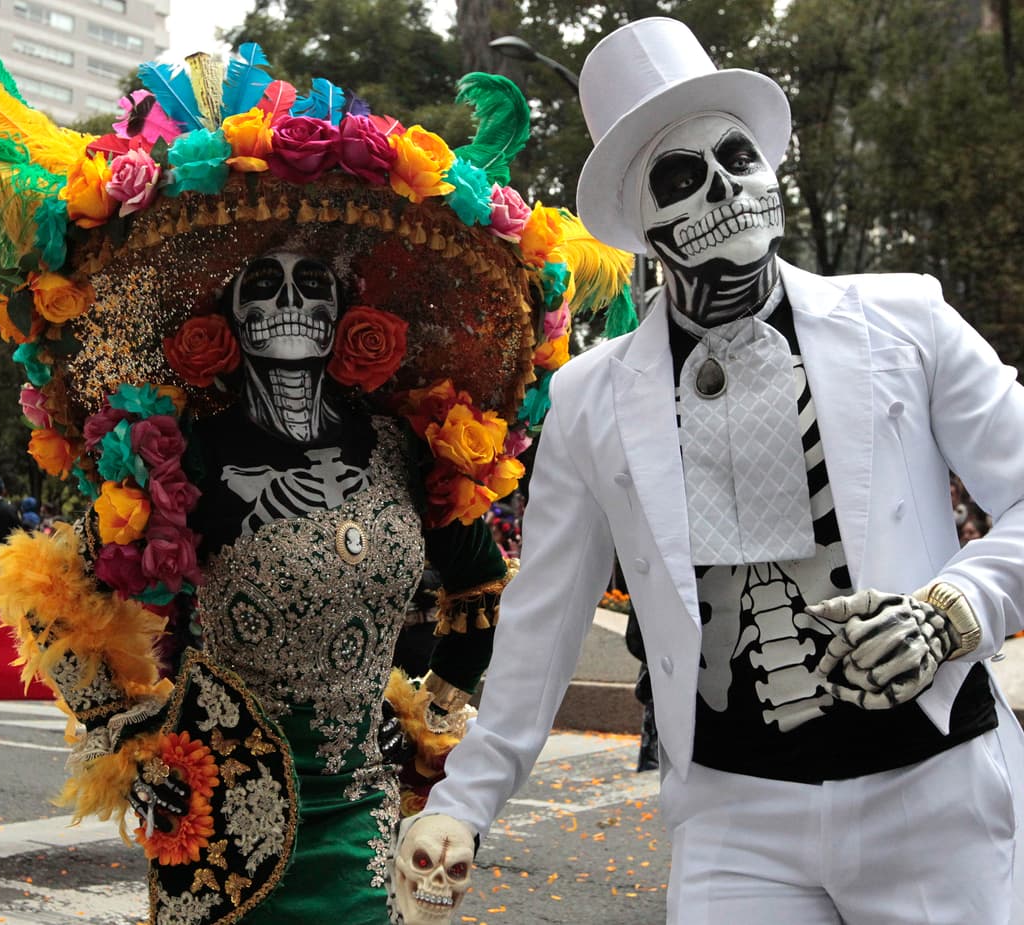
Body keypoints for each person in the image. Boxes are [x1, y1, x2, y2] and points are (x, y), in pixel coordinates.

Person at [0, 12, 633, 923]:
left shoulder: (399, 447)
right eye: (261, 288)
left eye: (311, 285)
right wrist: (134, 734)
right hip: (222, 825)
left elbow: (480, 592)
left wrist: (432, 708)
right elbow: (47, 591)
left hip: (364, 811)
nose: (288, 303)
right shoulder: (187, 451)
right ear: (226, 318)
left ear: (345, 312)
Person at [399, 17, 1024, 925]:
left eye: (739, 158)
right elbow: (545, 616)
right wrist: (465, 799)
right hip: (738, 815)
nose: (725, 189)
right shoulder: (591, 398)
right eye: (682, 177)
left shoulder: (905, 322)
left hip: (927, 787)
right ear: (646, 222)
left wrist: (953, 608)